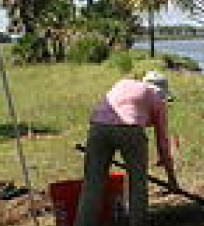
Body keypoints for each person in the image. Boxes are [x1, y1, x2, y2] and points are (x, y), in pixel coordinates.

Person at [75, 71, 179, 226]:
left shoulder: (123, 83)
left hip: (98, 127)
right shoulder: (157, 99)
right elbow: (163, 143)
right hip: (131, 130)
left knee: (92, 183)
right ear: (162, 91)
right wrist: (172, 179)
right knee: (138, 183)